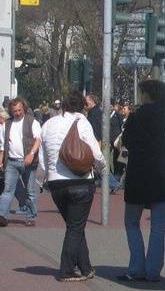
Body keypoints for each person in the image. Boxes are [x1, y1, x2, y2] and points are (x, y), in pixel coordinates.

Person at [41, 90, 106, 282]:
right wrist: (103, 169)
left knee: (75, 226)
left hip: (56, 184)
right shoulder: (81, 122)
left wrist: (46, 178)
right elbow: (96, 153)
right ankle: (66, 270)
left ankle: (85, 268)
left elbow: (43, 159)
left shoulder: (48, 124)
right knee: (75, 228)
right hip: (80, 181)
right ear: (82, 107)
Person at [118, 80, 165, 283]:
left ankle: (136, 269)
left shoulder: (137, 116)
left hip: (139, 178)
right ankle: (153, 272)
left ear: (146, 94)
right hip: (163, 178)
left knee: (132, 222)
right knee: (158, 227)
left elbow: (126, 141)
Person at [0, 98, 42, 227]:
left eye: (19, 110)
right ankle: (2, 216)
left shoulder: (32, 122)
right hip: (11, 162)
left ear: (24, 108)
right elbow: (3, 146)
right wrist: (1, 162)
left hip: (28, 162)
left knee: (30, 191)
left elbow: (38, 139)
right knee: (7, 190)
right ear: (11, 112)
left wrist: (31, 154)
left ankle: (31, 216)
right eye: (14, 111)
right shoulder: (6, 124)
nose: (17, 113)